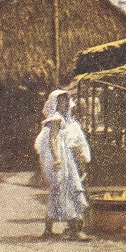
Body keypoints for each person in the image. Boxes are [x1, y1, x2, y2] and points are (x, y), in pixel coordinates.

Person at [34, 89, 92, 240]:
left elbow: (73, 138)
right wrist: (57, 159)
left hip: (68, 158)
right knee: (69, 189)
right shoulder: (56, 118)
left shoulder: (68, 120)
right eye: (60, 101)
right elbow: (52, 139)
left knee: (60, 192)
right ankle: (75, 230)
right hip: (62, 159)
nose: (63, 103)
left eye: (65, 101)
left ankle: (49, 228)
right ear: (54, 103)